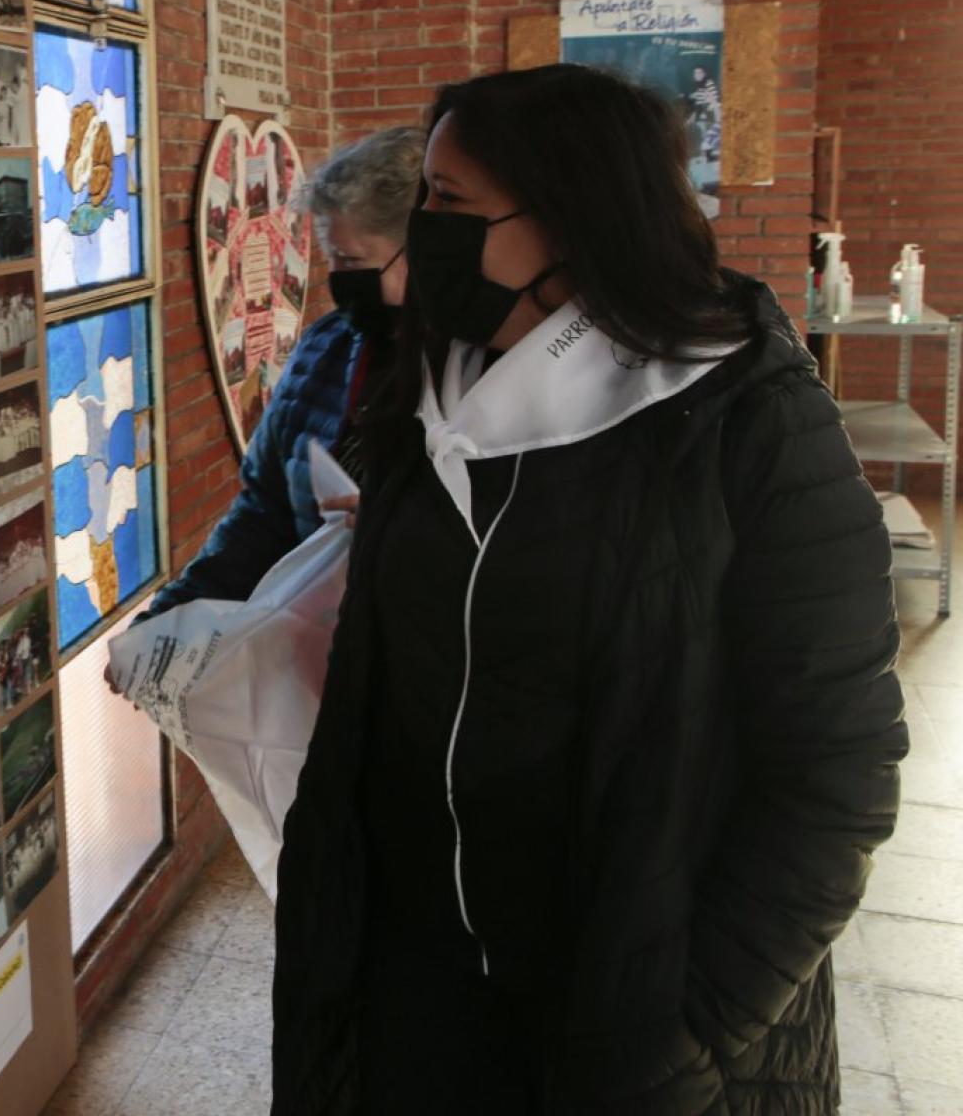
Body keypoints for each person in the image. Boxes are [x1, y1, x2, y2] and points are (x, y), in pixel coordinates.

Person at [263, 65, 906, 1111]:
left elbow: (836, 777)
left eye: (449, 202)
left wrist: (690, 1029)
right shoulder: (431, 395)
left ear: (570, 219)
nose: (422, 228)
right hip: (419, 997)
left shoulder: (749, 420)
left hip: (630, 1012)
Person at [146, 128, 421, 614]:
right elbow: (263, 513)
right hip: (313, 646)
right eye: (331, 258)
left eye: (352, 260)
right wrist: (172, 615)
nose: (338, 278)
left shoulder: (485, 369)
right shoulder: (326, 347)